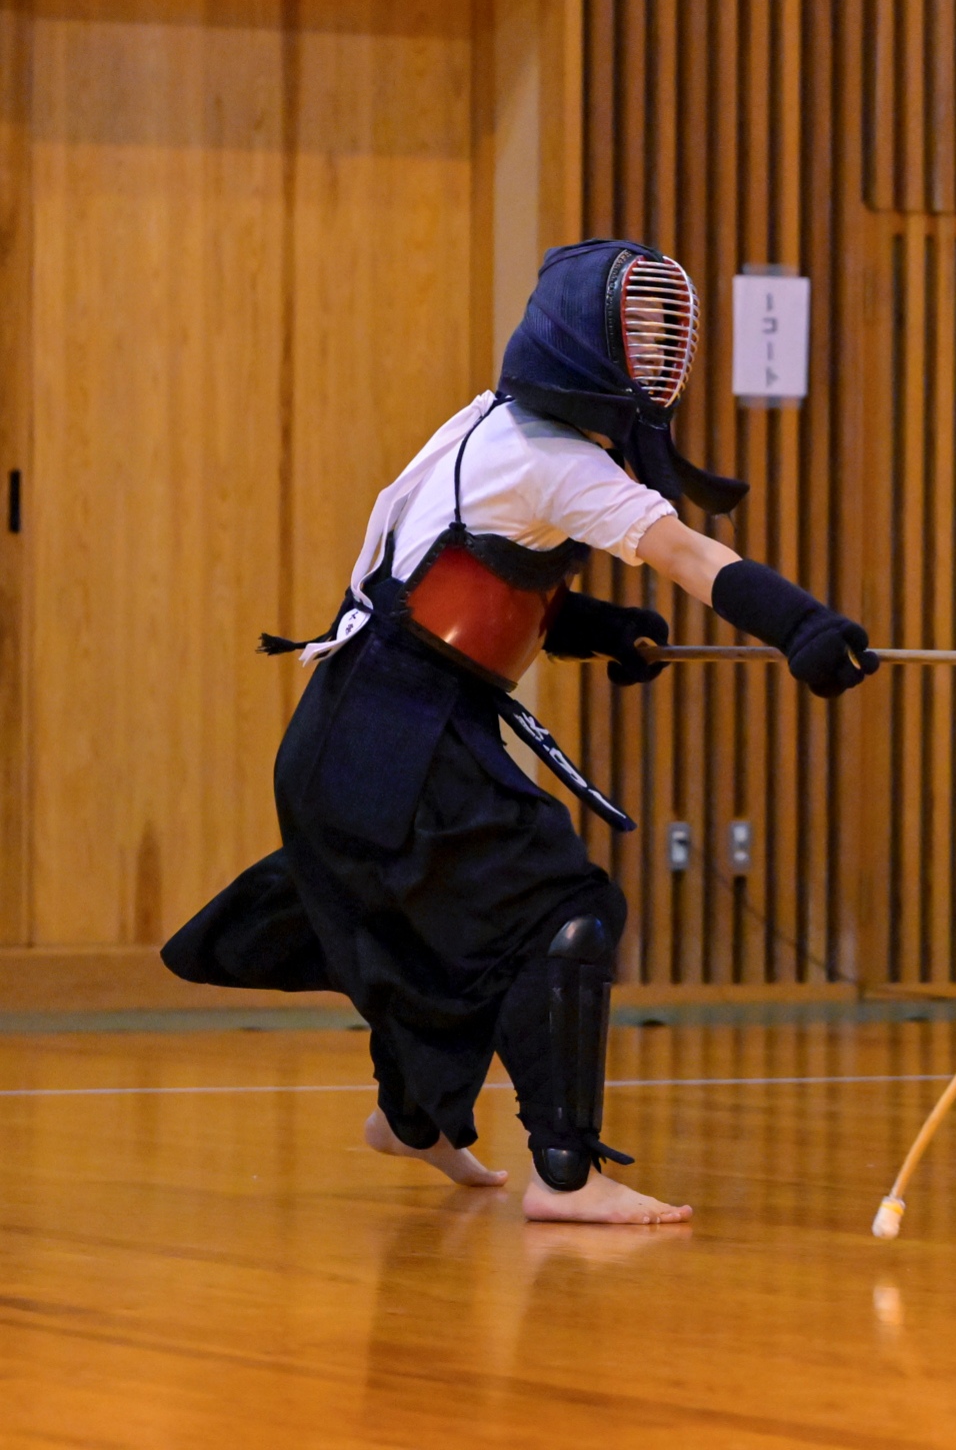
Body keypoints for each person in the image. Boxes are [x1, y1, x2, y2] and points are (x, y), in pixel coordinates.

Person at [164, 241, 881, 1224]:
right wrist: (804, 626)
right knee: (563, 911)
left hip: (352, 734)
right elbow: (688, 554)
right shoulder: (557, 463)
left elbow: (445, 584)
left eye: (662, 339)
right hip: (398, 739)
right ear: (585, 340)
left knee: (441, 932)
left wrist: (595, 627)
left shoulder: (484, 424)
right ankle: (565, 1173)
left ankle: (413, 1119)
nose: (656, 358)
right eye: (638, 336)